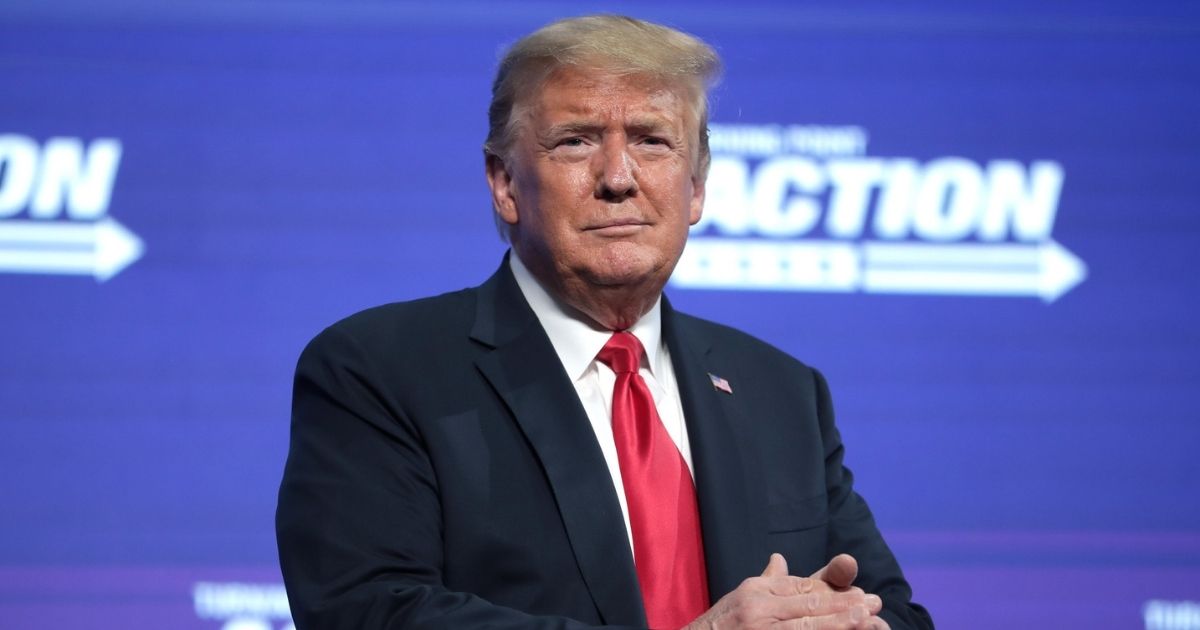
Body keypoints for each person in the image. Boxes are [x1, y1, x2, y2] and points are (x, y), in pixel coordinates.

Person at [276, 14, 933, 630]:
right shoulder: (381, 369)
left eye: (652, 141)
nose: (618, 177)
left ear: (696, 187)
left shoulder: (781, 392)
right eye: (576, 141)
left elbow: (893, 612)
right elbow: (367, 611)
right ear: (505, 182)